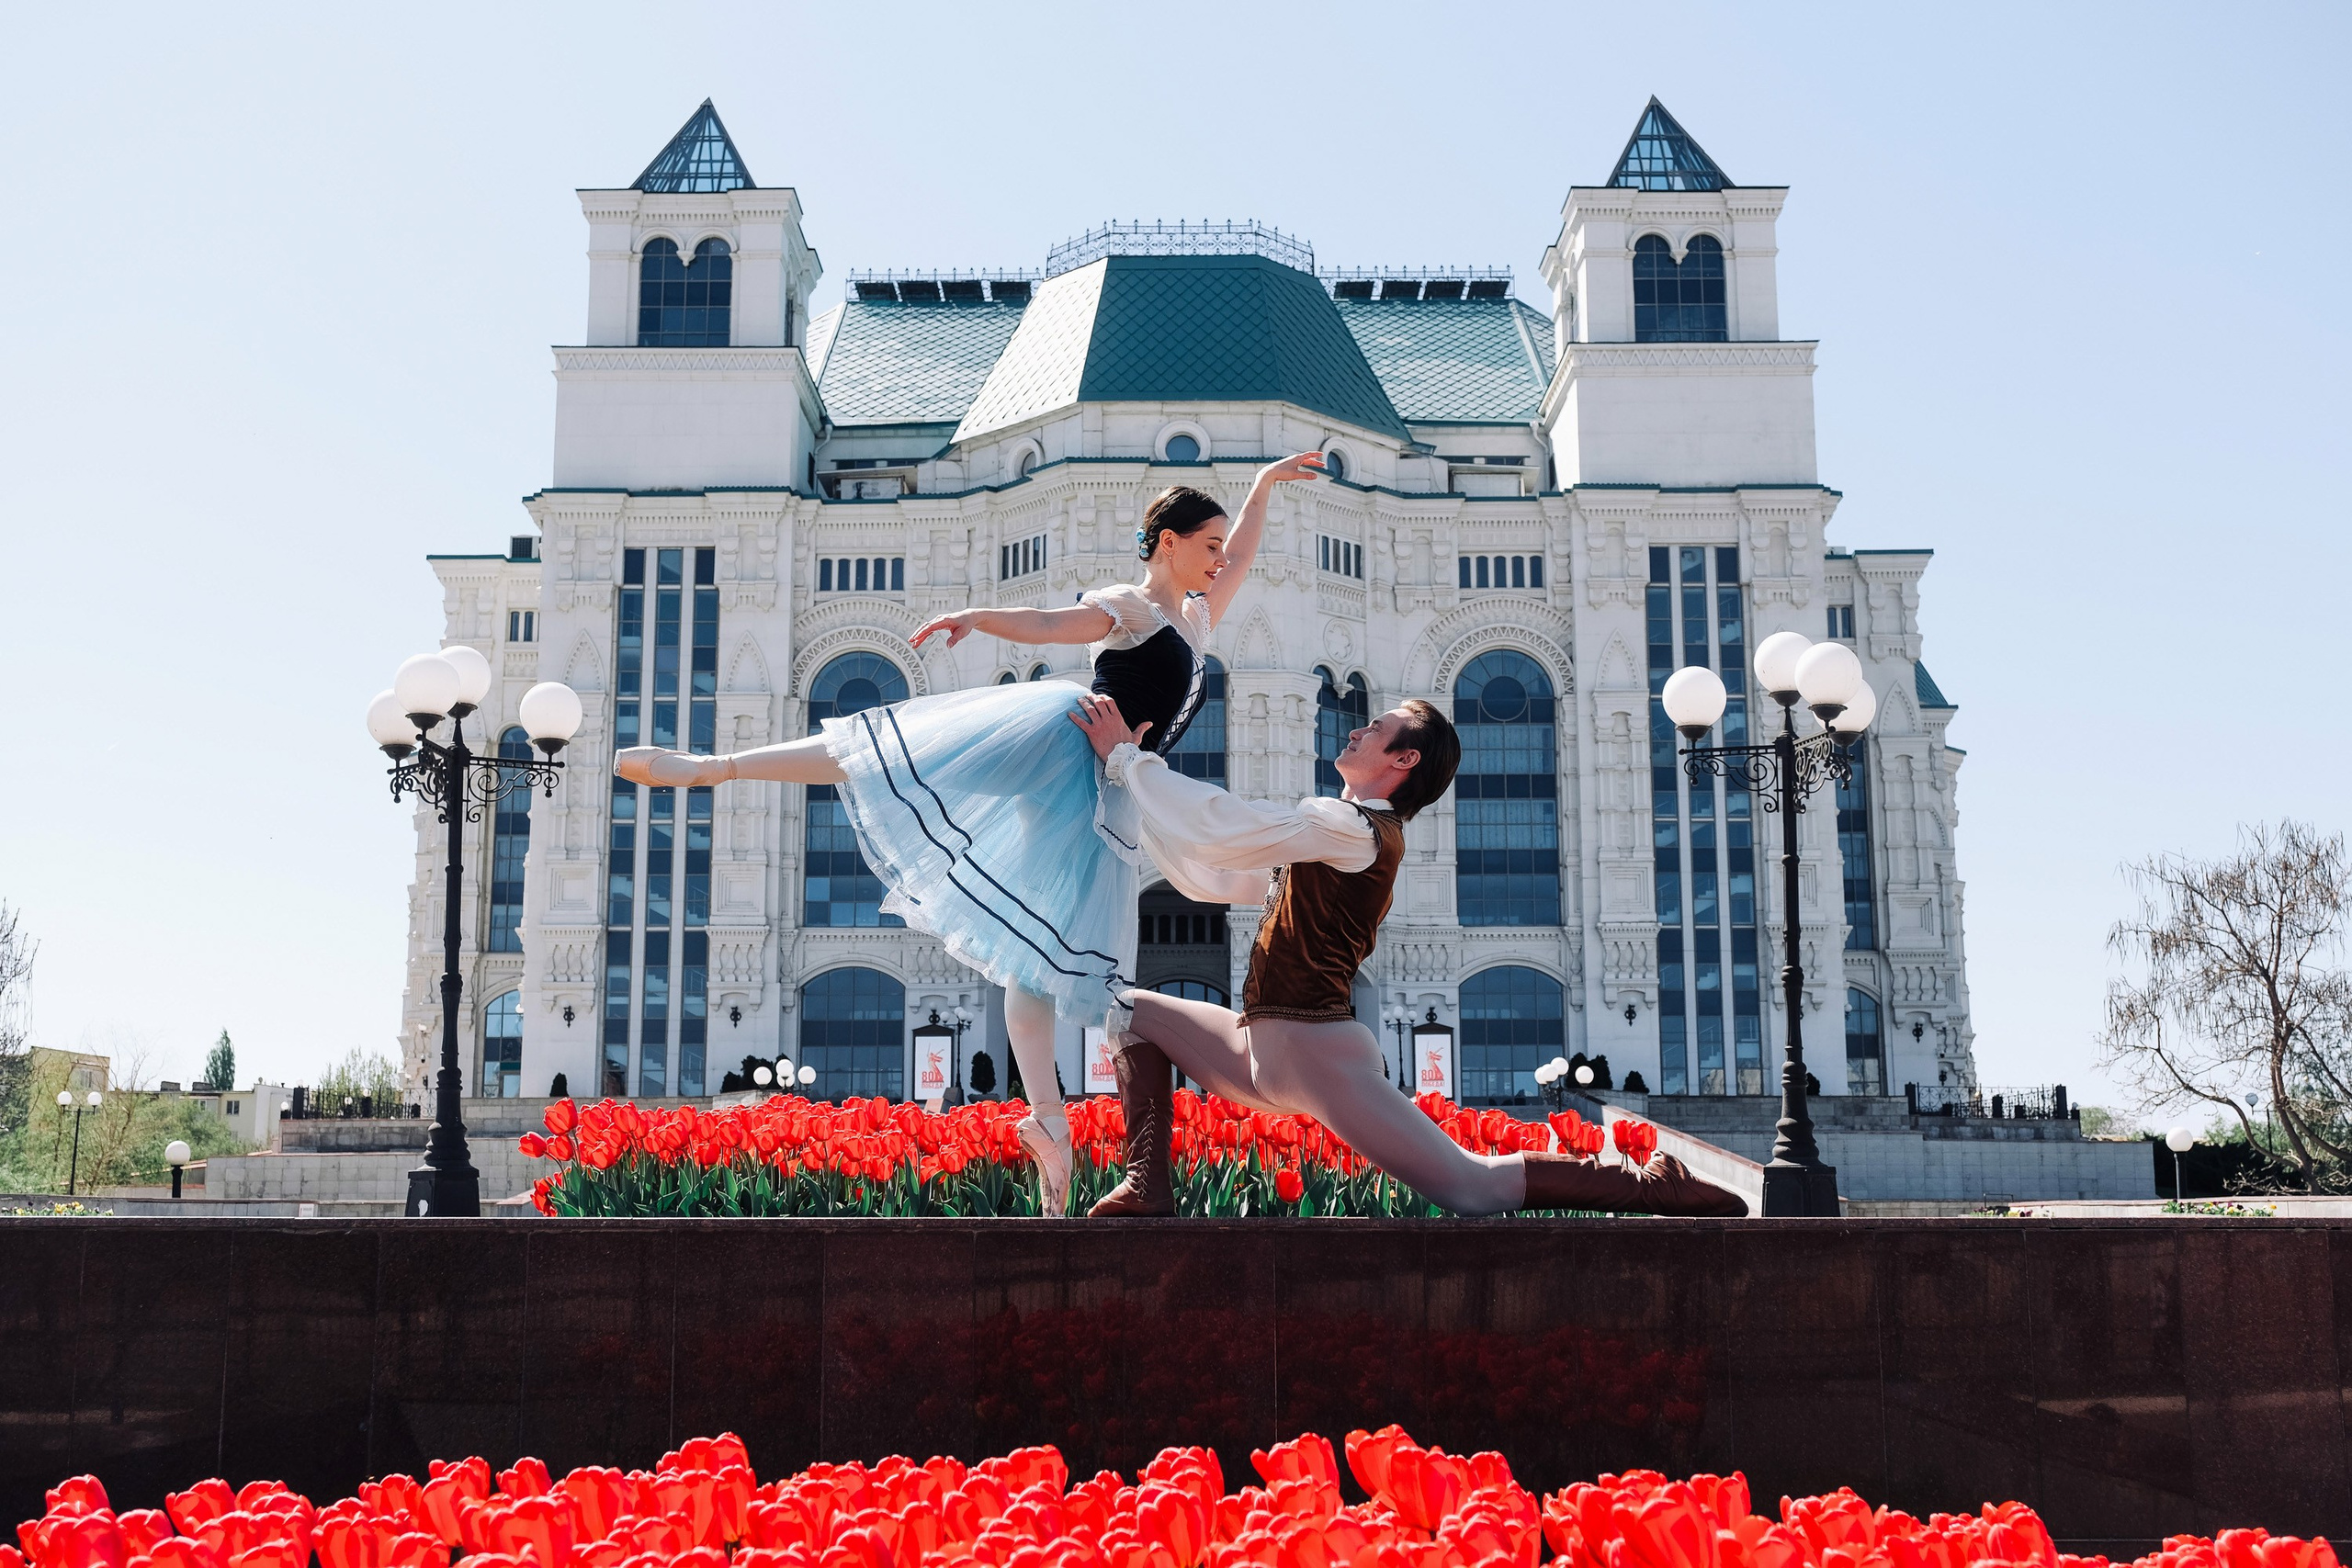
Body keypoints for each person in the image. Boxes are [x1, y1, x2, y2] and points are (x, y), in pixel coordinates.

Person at [615, 454, 1330, 1215]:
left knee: (1034, 962)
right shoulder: (1134, 605)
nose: (1223, 559)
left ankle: (1047, 1123)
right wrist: (977, 617)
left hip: (1116, 794)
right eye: (1209, 544)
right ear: (1166, 541)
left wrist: (1263, 486)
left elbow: (1249, 551)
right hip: (1069, 746)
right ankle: (716, 767)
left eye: (1222, 547)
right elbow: (1054, 624)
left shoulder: (1194, 617)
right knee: (896, 752)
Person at [1067, 692, 1749, 1219]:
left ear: (1403, 761)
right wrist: (1121, 800)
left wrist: (1129, 761)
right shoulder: (1333, 832)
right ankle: (1144, 1185)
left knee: (1470, 1188)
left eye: (1378, 728)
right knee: (1129, 1012)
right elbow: (1216, 871)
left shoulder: (1354, 827)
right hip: (1260, 1048)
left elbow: (1224, 825)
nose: (1358, 730)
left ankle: (1651, 1181)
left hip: (1317, 1054)